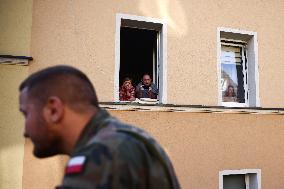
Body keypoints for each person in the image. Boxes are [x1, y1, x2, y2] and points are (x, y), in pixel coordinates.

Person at [19, 65, 180, 189]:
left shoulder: (100, 154)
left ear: (54, 110)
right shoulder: (128, 138)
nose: (25, 131)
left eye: (26, 114)